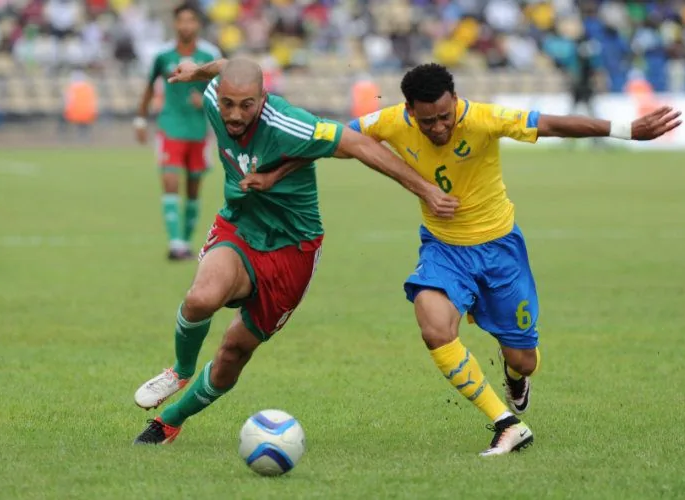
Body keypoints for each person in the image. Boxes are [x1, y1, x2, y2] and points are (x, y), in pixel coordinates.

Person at [243, 63, 681, 456]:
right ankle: (506, 423)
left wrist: (625, 130)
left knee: (523, 358)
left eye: (445, 117)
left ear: (455, 102)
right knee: (433, 324)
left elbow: (551, 124)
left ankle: (515, 375)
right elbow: (334, 139)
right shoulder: (391, 121)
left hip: (500, 252)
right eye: (427, 120)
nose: (438, 128)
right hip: (443, 250)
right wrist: (274, 172)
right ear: (410, 111)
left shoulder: (485, 118)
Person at [131, 58, 459, 445]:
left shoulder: (289, 122)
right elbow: (224, 67)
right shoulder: (211, 96)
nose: (235, 115)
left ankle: (171, 420)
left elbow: (356, 144)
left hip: (293, 248)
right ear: (217, 97)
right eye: (228, 104)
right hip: (240, 225)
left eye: (247, 105)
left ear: (262, 98)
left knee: (233, 353)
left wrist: (426, 189)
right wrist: (199, 71)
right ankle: (180, 370)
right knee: (201, 297)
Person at [133, 3, 222, 260]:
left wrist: (206, 98)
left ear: (198, 25)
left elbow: (223, 90)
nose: (186, 26)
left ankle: (185, 240)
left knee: (193, 189)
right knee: (170, 182)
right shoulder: (162, 55)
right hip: (170, 126)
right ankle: (175, 244)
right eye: (181, 21)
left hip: (198, 131)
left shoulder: (210, 54)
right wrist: (140, 120)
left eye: (191, 21)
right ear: (175, 24)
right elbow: (149, 87)